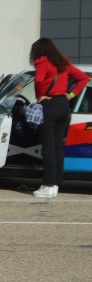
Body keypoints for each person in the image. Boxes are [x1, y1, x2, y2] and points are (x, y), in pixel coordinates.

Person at [28, 37, 89, 198]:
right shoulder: (63, 62)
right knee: (58, 147)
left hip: (50, 105)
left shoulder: (42, 62)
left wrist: (40, 96)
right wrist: (71, 95)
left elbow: (39, 80)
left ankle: (47, 184)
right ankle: (55, 184)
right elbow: (83, 78)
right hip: (64, 106)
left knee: (48, 148)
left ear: (38, 50)